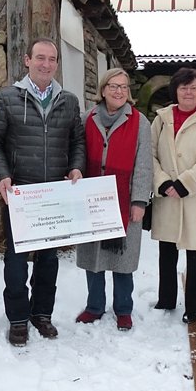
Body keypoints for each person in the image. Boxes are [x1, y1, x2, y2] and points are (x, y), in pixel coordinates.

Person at [0, 37, 85, 347]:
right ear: (27, 60)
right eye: (40, 58)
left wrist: (76, 167)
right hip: (21, 194)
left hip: (54, 193)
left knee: (48, 260)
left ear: (57, 64)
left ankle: (42, 313)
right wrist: (3, 175)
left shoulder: (68, 101)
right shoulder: (7, 98)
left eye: (52, 59)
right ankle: (17, 318)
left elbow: (77, 142)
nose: (46, 64)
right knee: (16, 261)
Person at [74, 68, 152, 331]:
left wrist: (139, 201)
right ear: (103, 89)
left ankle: (123, 309)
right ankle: (94, 306)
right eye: (113, 86)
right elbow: (78, 153)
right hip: (93, 199)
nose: (119, 91)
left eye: (123, 86)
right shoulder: (87, 118)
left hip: (124, 199)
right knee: (94, 258)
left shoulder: (140, 122)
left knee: (123, 261)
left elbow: (144, 165)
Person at [150, 67, 196, 324]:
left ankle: (195, 306)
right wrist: (162, 181)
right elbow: (150, 154)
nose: (189, 92)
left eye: (193, 87)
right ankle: (166, 298)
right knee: (167, 251)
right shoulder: (162, 119)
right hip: (168, 196)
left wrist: (185, 183)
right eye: (184, 88)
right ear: (175, 90)